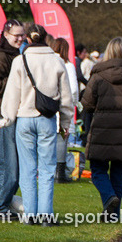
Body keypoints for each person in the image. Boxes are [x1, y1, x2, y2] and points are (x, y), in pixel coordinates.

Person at [0, 23, 73, 225]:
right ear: (45, 38)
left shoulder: (20, 61)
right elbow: (66, 98)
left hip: (24, 119)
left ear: (28, 39)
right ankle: (46, 215)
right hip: (47, 120)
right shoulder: (56, 61)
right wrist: (65, 123)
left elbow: (13, 94)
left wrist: (7, 118)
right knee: (47, 169)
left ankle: (30, 215)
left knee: (28, 169)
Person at [82, 36, 122, 221]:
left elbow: (87, 104)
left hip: (102, 130)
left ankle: (109, 199)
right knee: (119, 175)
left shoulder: (97, 76)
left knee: (98, 170)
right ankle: (113, 215)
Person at [0, 19, 24, 219]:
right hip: (1, 114)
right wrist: (18, 80)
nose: (20, 38)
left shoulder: (16, 53)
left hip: (11, 114)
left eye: (22, 35)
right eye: (16, 35)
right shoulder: (0, 55)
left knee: (12, 165)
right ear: (6, 35)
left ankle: (1, 205)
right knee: (3, 163)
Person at [49, 37, 79, 184]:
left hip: (48, 106)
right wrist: (73, 103)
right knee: (62, 140)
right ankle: (59, 173)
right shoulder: (68, 65)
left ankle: (50, 171)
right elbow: (73, 89)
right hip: (62, 106)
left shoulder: (48, 63)